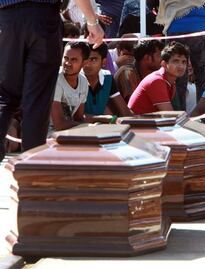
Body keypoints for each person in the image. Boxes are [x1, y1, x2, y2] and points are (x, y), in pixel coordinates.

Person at [0, 0, 104, 162]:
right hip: (43, 19)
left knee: (5, 96)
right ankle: (32, 169)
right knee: (37, 101)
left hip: (7, 18)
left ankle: (32, 167)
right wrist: (92, 21)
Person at [155, 0, 205, 110]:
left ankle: (180, 117)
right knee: (202, 76)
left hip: (174, 30)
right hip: (198, 30)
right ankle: (202, 117)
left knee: (176, 76)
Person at [128, 42, 189, 115]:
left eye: (184, 62)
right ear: (164, 64)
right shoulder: (157, 81)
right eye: (176, 61)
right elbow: (170, 116)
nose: (181, 66)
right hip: (137, 124)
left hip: (147, 123)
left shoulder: (171, 82)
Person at [82, 43, 132, 117]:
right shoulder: (76, 78)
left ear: (103, 62)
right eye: (85, 59)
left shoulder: (108, 78)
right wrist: (104, 119)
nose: (87, 64)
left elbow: (124, 111)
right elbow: (77, 118)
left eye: (93, 59)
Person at [51, 42, 90, 131]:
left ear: (84, 63)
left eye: (74, 60)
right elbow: (59, 124)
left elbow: (78, 118)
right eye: (66, 58)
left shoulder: (83, 82)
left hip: (68, 133)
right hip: (46, 134)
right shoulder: (55, 79)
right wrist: (86, 127)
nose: (67, 63)